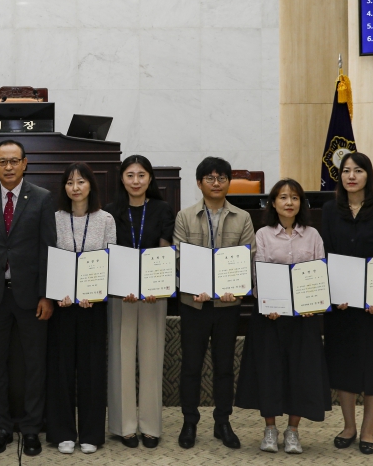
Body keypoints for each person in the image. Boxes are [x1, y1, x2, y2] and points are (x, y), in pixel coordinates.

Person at [0, 139, 57, 457]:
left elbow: (48, 249)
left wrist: (47, 295)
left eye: (14, 161)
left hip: (32, 297)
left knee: (35, 365)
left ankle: (32, 429)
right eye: (2, 161)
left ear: (25, 163)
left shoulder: (42, 198)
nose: (8, 166)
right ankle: (3, 427)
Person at [235, 178, 332, 454]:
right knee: (269, 370)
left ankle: (292, 431)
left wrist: (315, 301)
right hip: (271, 316)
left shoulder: (312, 235)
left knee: (300, 372)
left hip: (304, 317)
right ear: (272, 203)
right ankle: (269, 429)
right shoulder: (263, 234)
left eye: (295, 198)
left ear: (302, 203)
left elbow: (318, 272)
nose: (289, 203)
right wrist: (269, 302)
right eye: (283, 197)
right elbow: (259, 272)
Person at [174, 156, 255, 450]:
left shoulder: (243, 218)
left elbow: (247, 259)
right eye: (210, 178)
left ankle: (223, 422)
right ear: (199, 183)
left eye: (222, 178)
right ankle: (189, 422)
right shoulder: (184, 216)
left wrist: (233, 290)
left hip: (227, 305)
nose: (216, 183)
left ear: (228, 183)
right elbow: (180, 256)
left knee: (224, 366)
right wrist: (198, 286)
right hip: (193, 303)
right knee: (191, 366)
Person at [321, 152, 373, 455]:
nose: (351, 176)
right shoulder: (329, 210)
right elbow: (327, 255)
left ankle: (368, 430)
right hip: (341, 304)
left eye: (358, 170)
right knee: (344, 363)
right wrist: (336, 294)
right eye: (346, 171)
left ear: (369, 176)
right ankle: (349, 426)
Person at [104, 154, 175, 449]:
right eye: (130, 175)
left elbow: (164, 249)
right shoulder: (109, 212)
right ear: (122, 178)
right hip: (120, 294)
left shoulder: (161, 209)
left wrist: (151, 286)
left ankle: (150, 426)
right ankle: (124, 426)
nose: (136, 181)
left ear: (150, 179)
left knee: (151, 356)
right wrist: (125, 286)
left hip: (152, 296)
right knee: (120, 358)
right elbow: (108, 255)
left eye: (141, 175)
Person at [47, 163, 116, 454]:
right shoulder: (54, 218)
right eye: (70, 182)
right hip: (61, 306)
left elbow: (111, 259)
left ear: (91, 186)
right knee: (60, 370)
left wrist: (95, 293)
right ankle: (63, 432)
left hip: (93, 306)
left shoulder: (105, 219)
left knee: (92, 369)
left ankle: (90, 433)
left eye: (81, 181)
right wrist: (55, 294)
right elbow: (48, 259)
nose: (75, 187)